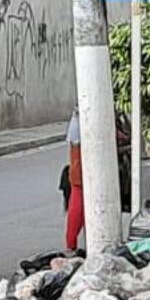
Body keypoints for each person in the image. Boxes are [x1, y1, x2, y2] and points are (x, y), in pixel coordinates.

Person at [64, 107, 84, 250]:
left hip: (79, 176)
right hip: (81, 177)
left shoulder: (76, 122)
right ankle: (71, 245)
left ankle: (72, 244)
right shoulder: (78, 123)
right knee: (77, 212)